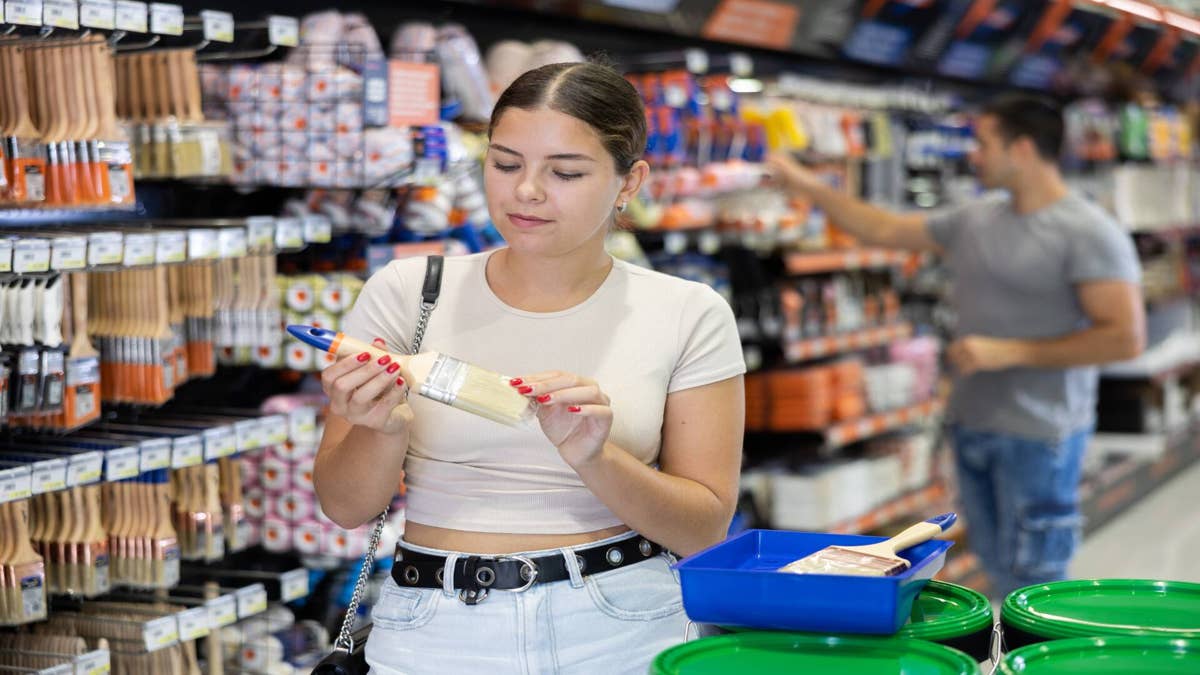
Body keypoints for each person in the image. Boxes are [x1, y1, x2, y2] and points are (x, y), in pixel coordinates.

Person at [313, 61, 746, 675]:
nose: (526, 191)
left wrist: (596, 456)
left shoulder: (686, 312)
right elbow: (344, 506)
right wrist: (380, 428)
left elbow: (704, 528)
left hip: (617, 622)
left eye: (565, 172)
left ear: (630, 181)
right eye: (506, 163)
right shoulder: (410, 292)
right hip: (430, 629)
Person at [768, 95, 1145, 598]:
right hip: (972, 424)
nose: (974, 154)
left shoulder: (1088, 231)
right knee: (995, 570)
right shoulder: (977, 218)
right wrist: (807, 184)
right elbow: (881, 228)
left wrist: (1009, 352)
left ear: (1023, 148)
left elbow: (1124, 336)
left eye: (984, 143)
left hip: (1041, 434)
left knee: (1037, 581)